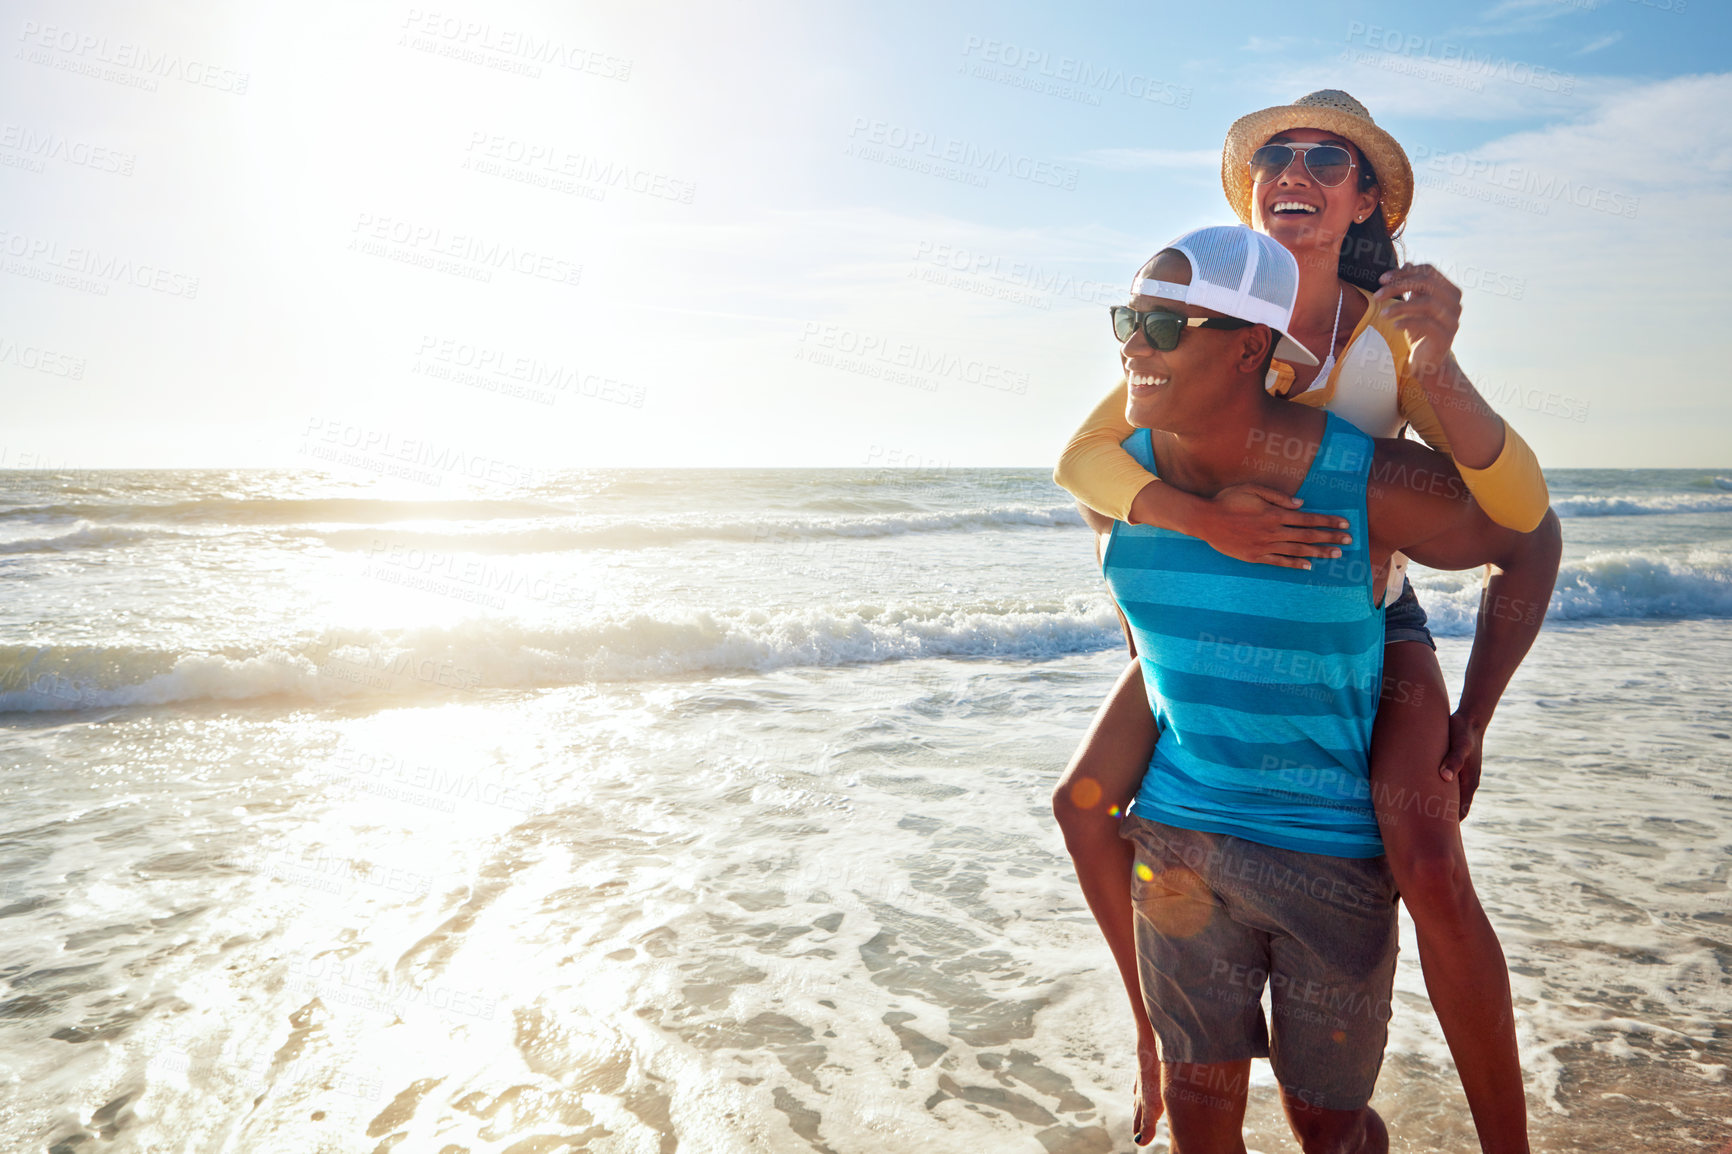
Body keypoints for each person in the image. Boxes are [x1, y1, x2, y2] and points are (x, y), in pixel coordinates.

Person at [1051, 92, 1554, 1151]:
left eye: (1331, 159)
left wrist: (1476, 713)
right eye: (1277, 153)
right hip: (1214, 612)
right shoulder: (1200, 320)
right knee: (1082, 800)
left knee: (1421, 843)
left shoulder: (1385, 332)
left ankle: (1504, 1132)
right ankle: (1166, 1039)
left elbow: (1521, 525)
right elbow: (1083, 464)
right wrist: (1198, 531)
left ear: (1364, 198)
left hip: (1365, 612)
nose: (1299, 170)